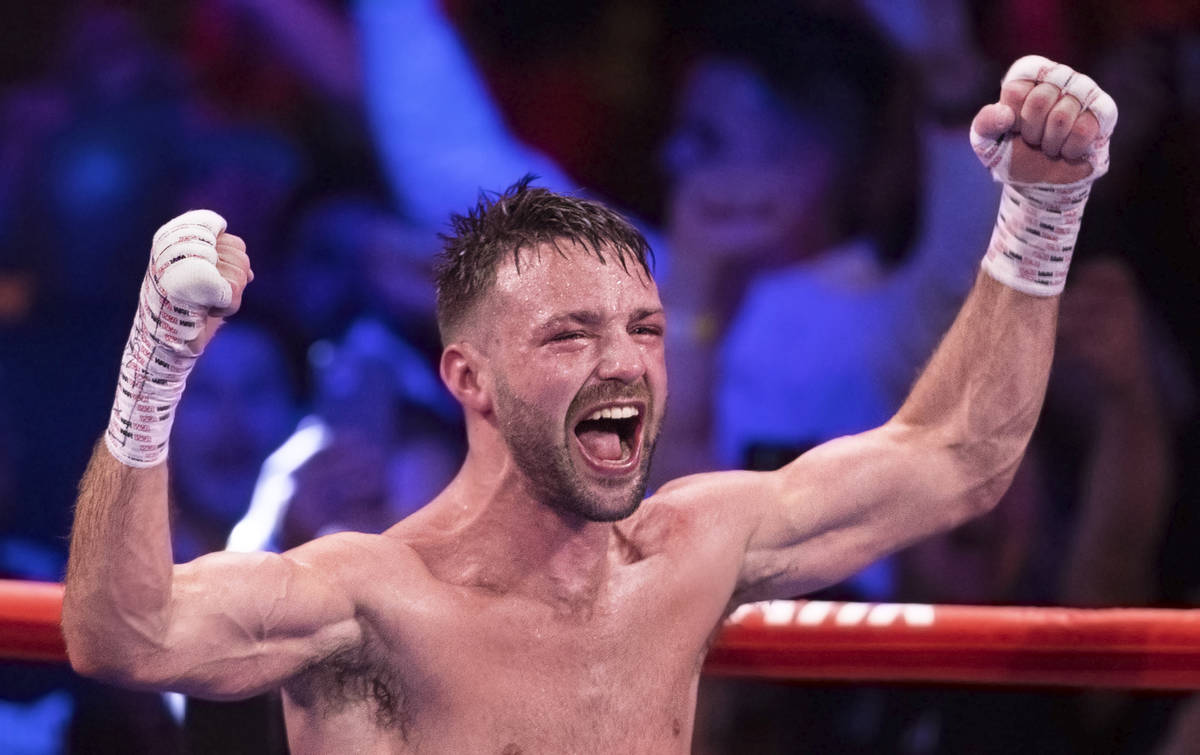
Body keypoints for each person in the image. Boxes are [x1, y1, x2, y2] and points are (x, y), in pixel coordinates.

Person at [62, 57, 1115, 752]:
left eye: (645, 330)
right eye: (571, 333)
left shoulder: (692, 550)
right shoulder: (367, 598)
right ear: (469, 377)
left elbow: (958, 454)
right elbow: (127, 636)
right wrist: (155, 366)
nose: (625, 364)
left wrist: (1040, 207)